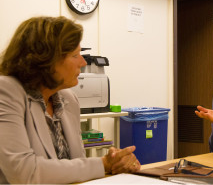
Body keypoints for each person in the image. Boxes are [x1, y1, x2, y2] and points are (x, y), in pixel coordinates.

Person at [0, 16, 141, 184]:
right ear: (46, 61)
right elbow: (23, 173)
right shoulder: (6, 90)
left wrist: (115, 163)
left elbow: (76, 163)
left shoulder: (68, 99)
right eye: (75, 55)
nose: (82, 62)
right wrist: (102, 164)